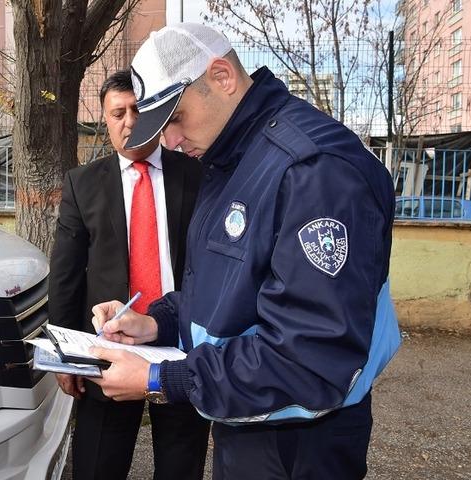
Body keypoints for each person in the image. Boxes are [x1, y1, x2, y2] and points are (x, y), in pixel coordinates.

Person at [88, 24, 401, 479]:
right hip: (248, 418)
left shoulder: (313, 171)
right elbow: (225, 292)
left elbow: (307, 358)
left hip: (300, 441)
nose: (169, 141)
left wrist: (160, 379)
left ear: (222, 76)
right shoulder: (231, 159)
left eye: (174, 118)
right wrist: (157, 322)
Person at [48, 70, 211, 480]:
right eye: (117, 112)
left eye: (138, 110)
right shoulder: (83, 184)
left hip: (180, 348)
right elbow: (66, 275)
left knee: (181, 466)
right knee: (99, 464)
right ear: (105, 119)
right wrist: (66, 358)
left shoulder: (194, 175)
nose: (129, 121)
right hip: (109, 349)